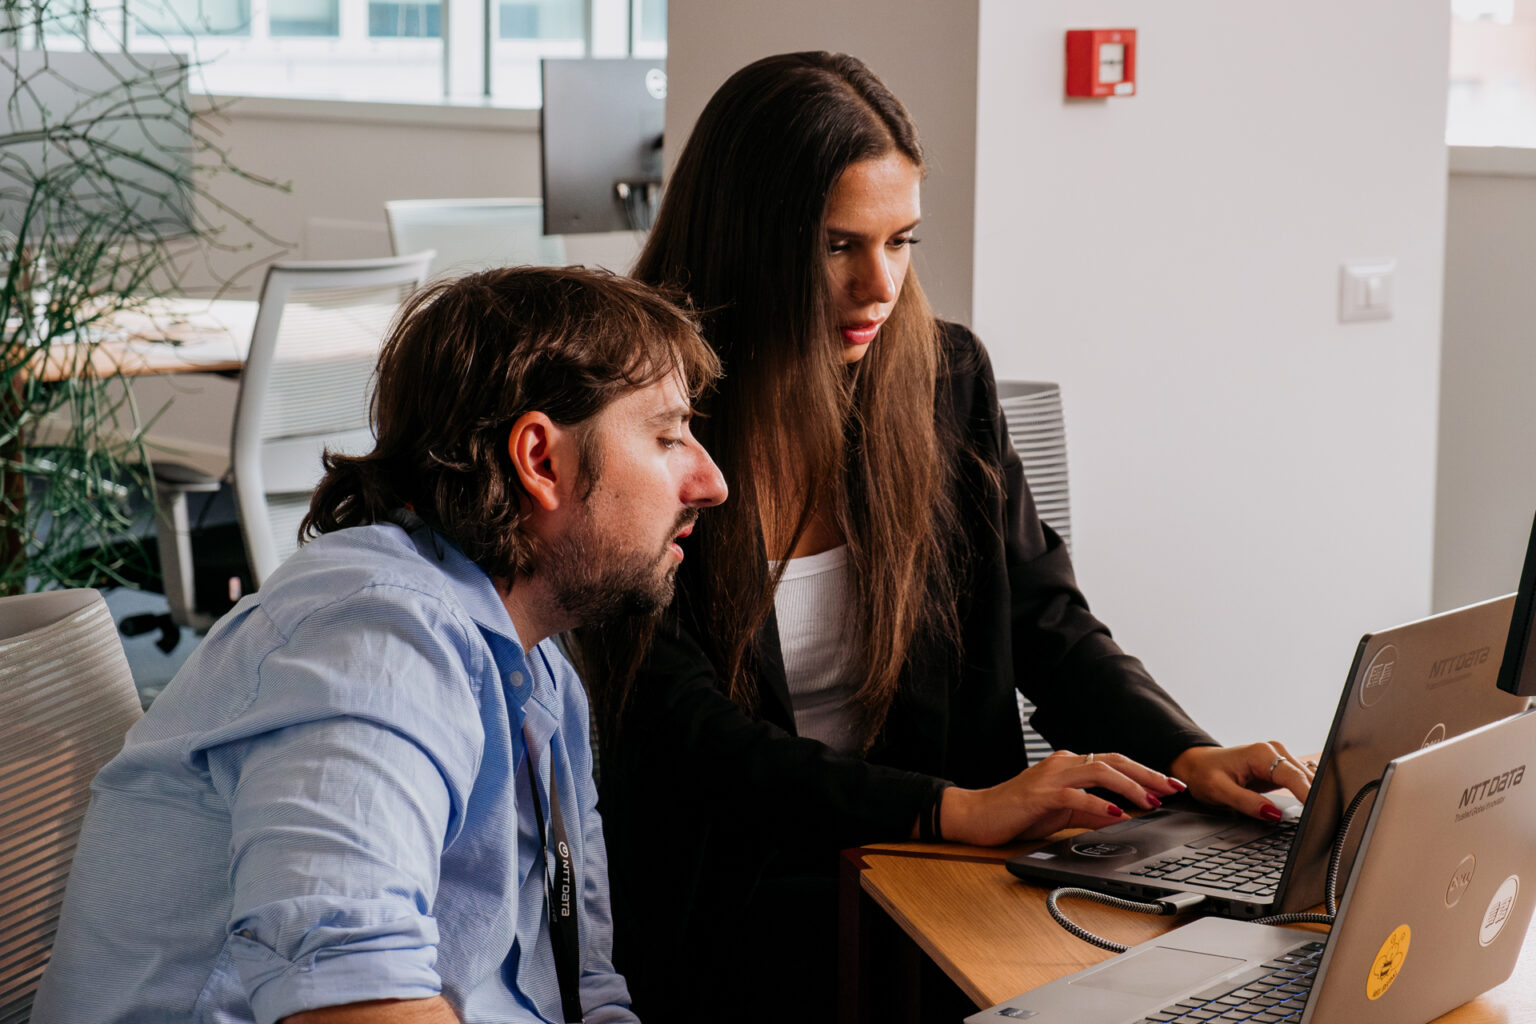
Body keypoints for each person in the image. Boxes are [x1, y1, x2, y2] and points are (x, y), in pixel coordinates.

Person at [573, 52, 1315, 1023]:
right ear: (751, 237)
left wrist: (1186, 754)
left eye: (902, 240)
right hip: (739, 904)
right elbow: (687, 739)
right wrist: (948, 809)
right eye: (839, 245)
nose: (878, 284)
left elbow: (1050, 622)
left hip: (942, 885)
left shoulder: (943, 380)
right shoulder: (644, 418)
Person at [33, 266, 727, 1024]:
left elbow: (584, 991)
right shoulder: (376, 646)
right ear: (540, 461)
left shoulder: (541, 676)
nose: (710, 480)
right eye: (667, 437)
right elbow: (358, 1005)